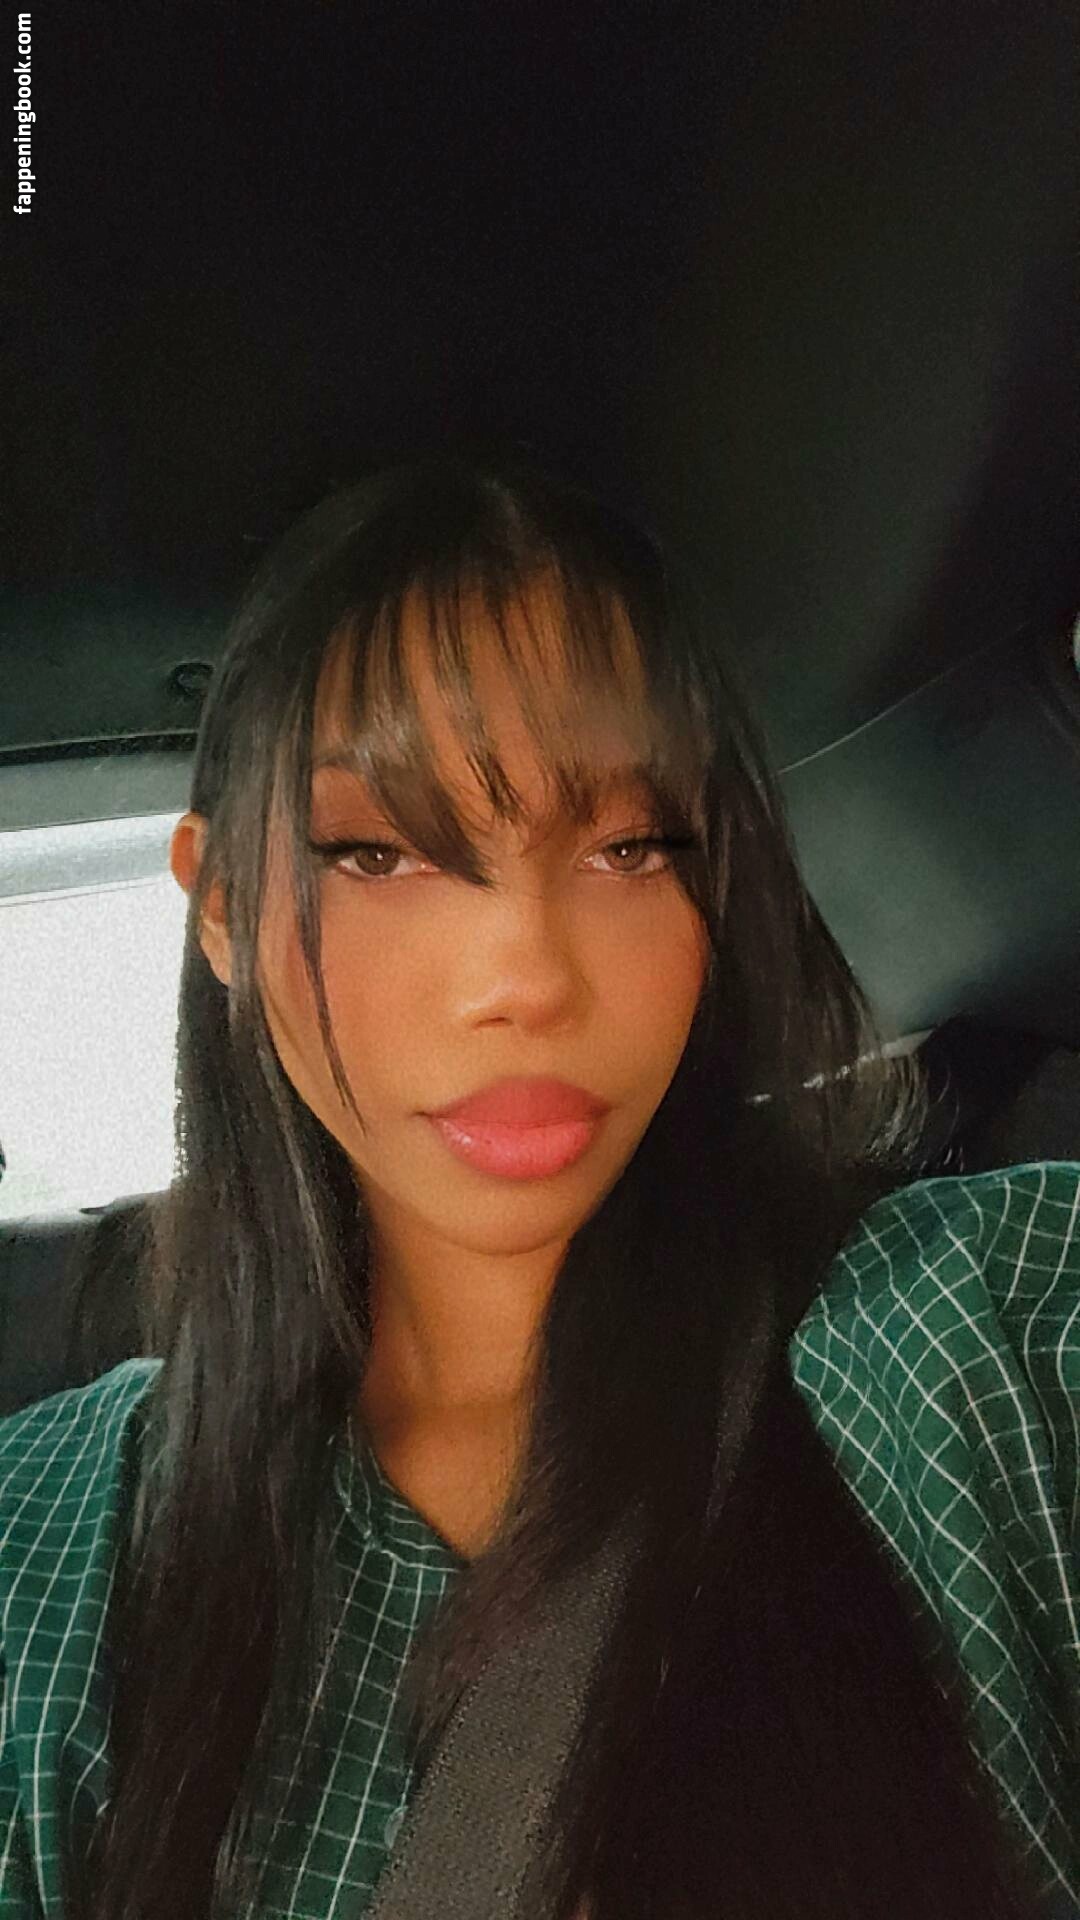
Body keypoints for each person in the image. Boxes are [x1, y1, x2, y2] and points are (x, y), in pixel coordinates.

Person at [0, 443, 1077, 1920]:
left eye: (630, 847)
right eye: (379, 854)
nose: (525, 974)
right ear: (229, 913)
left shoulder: (979, 1337)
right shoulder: (46, 1549)